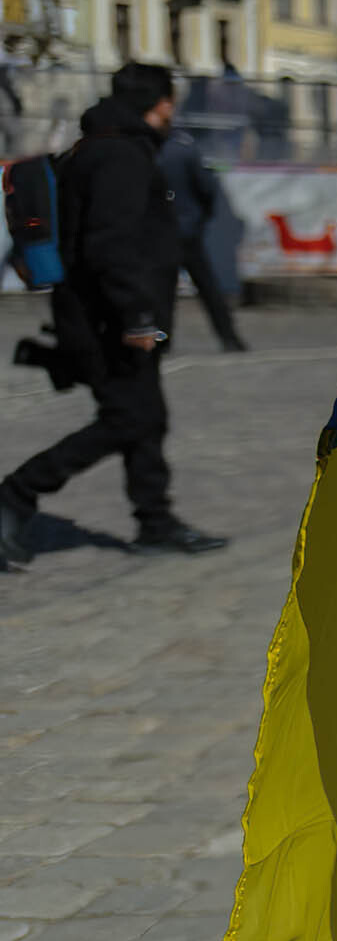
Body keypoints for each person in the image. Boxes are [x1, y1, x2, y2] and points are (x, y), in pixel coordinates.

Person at [0, 62, 232, 566]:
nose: (174, 111)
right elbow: (110, 245)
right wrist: (138, 318)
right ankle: (15, 494)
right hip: (107, 319)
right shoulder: (120, 156)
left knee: (146, 417)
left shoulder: (101, 146)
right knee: (127, 419)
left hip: (104, 313)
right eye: (172, 102)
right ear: (161, 103)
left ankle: (156, 522)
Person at [156, 118, 247, 350]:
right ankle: (229, 337)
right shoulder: (185, 149)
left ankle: (162, 341)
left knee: (162, 292)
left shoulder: (148, 150)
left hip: (162, 231)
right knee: (208, 288)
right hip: (188, 230)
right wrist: (200, 217)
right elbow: (206, 187)